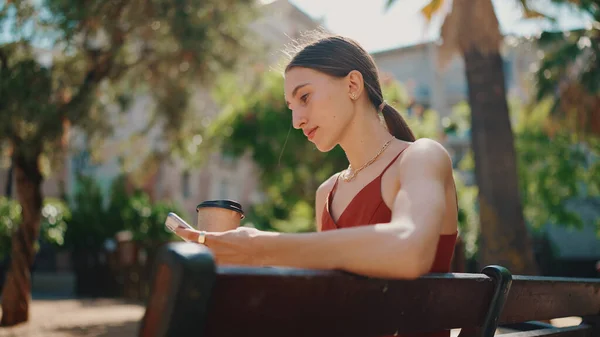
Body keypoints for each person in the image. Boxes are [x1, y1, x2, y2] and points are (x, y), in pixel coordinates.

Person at [176, 33, 458, 337]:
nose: (296, 120)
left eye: (305, 97)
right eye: (290, 107)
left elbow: (410, 250)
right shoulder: (327, 193)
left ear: (353, 85)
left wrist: (258, 248)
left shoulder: (421, 156)